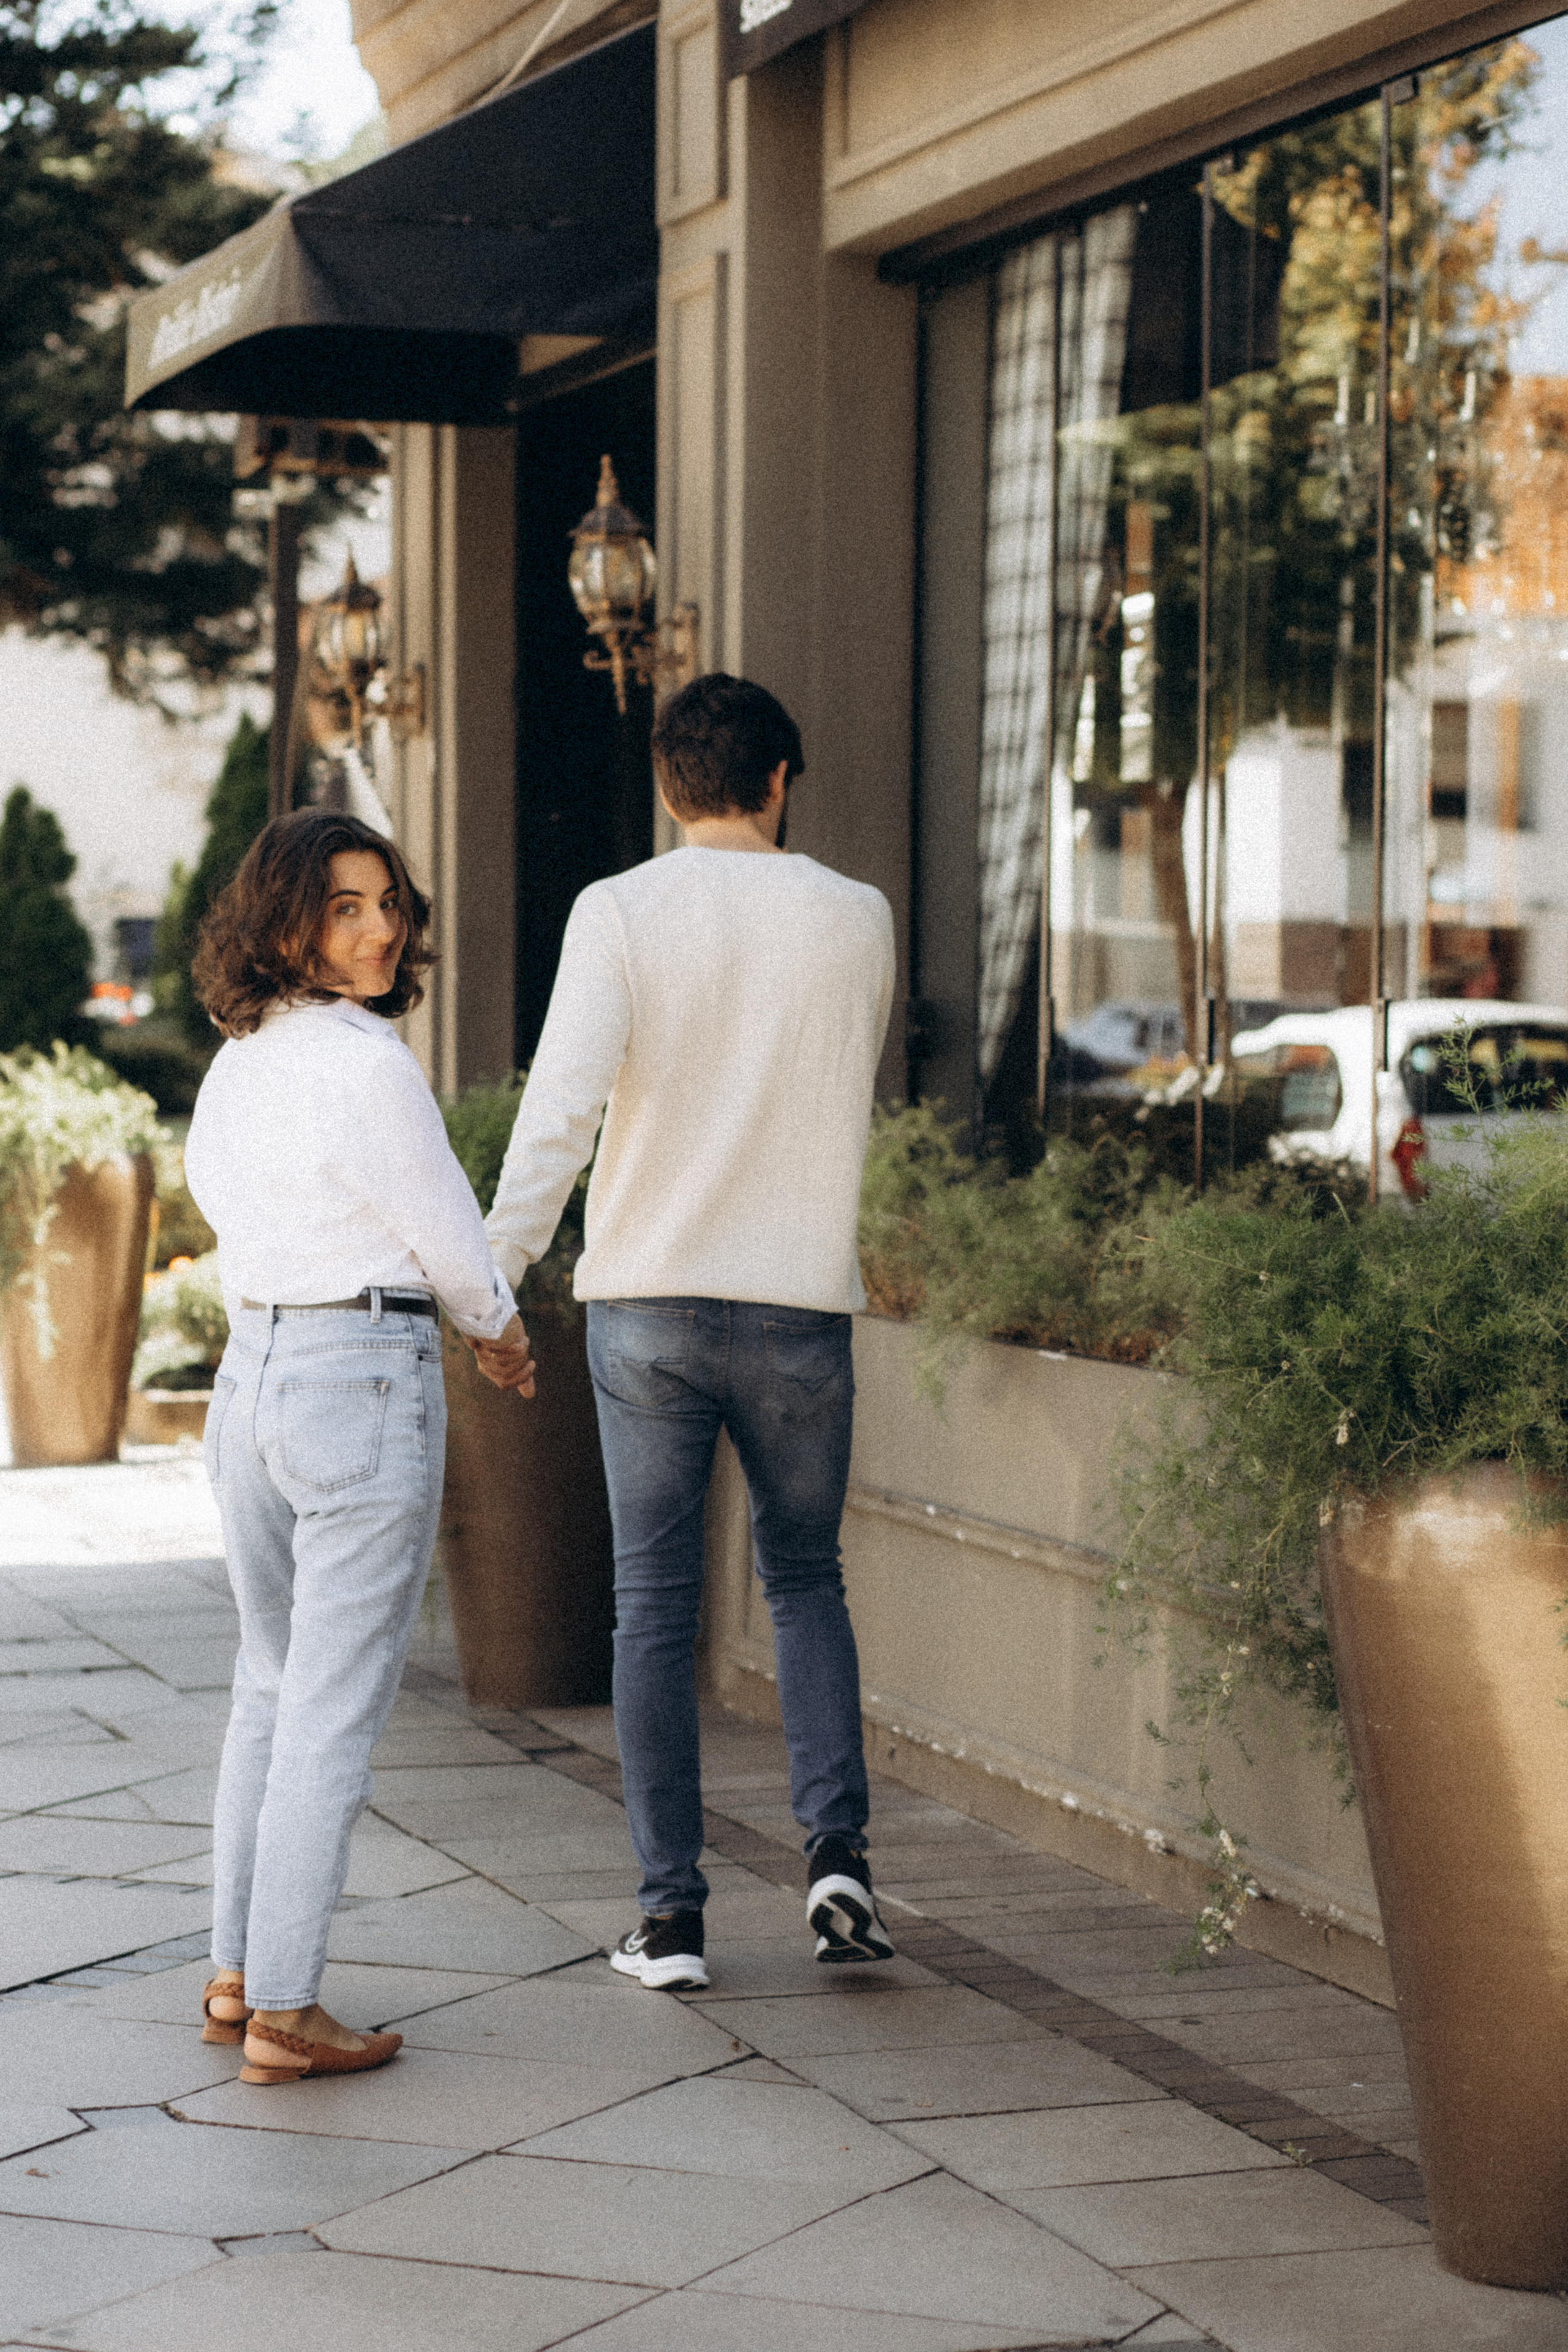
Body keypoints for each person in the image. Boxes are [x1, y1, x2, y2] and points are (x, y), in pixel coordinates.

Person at [479, 672, 895, 1991]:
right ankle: (837, 1858)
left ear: (667, 786)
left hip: (648, 1302)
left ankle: (670, 1919)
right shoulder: (858, 920)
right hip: (796, 1305)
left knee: (652, 1611)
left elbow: (560, 1112)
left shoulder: (620, 910)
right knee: (806, 1581)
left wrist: (494, 1274)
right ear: (777, 783)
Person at [184, 809, 535, 2084]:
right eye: (345, 906)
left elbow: (226, 1208)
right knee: (327, 1708)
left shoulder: (239, 1063)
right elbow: (446, 1232)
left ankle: (236, 1973)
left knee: (269, 1686)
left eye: (388, 901)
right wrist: (499, 1335)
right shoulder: (367, 1064)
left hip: (254, 1378)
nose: (382, 926)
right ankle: (285, 2008)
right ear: (285, 920)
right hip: (358, 1380)